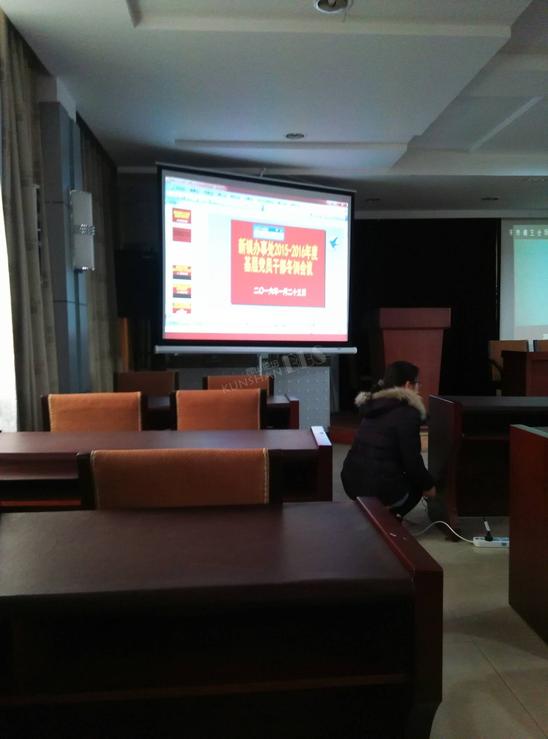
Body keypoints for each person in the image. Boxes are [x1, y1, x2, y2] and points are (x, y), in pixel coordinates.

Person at [341, 360, 436, 517]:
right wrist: (429, 485)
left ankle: (376, 512)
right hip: (377, 489)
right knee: (417, 484)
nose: (419, 388)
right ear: (408, 385)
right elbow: (412, 462)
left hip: (352, 482)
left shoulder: (373, 404)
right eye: (417, 383)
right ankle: (388, 520)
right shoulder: (407, 413)